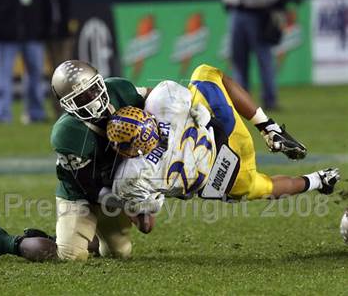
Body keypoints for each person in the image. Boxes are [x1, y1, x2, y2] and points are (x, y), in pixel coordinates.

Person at [106, 64, 340, 227]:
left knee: (266, 188)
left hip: (224, 178)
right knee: (206, 72)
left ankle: (320, 179)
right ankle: (269, 128)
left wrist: (130, 205)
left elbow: (147, 226)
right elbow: (166, 96)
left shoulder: (133, 174)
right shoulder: (160, 102)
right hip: (228, 136)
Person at [0, 60, 153, 263]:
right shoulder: (67, 133)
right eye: (81, 97)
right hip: (80, 194)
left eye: (93, 89)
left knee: (119, 253)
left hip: (115, 184)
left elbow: (156, 97)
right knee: (70, 255)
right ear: (67, 104)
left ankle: (56, 238)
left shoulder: (119, 89)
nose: (93, 100)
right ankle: (4, 240)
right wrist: (130, 204)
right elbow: (90, 188)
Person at [222, 0, 285, 110]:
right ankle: (240, 102)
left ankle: (270, 100)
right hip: (236, 10)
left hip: (260, 12)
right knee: (239, 60)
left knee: (264, 60)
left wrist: (277, 5)